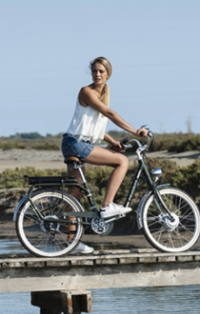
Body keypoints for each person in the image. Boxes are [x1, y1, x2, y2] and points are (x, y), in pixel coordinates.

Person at [61, 57, 148, 254]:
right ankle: (108, 206)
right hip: (76, 144)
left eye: (101, 71)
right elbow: (108, 114)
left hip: (73, 143)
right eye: (95, 71)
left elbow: (96, 125)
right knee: (122, 161)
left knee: (75, 193)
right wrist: (135, 132)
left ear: (108, 73)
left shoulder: (103, 94)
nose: (97, 74)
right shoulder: (87, 91)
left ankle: (70, 242)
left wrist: (112, 142)